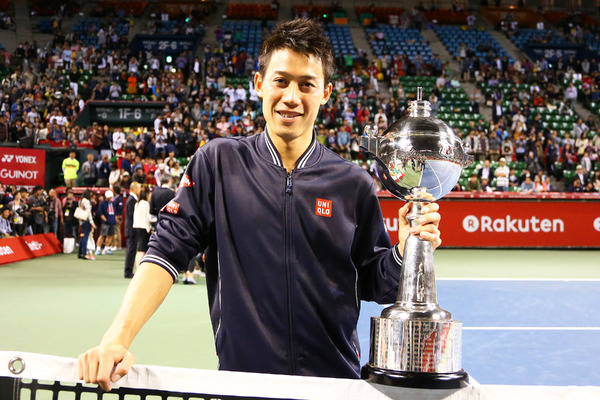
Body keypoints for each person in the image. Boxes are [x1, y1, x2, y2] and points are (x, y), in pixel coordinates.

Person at [78, 19, 441, 391]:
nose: (291, 97)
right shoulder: (217, 163)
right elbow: (165, 254)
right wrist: (116, 339)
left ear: (326, 92)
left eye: (306, 85)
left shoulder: (353, 184)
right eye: (281, 81)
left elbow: (377, 284)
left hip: (335, 389)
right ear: (259, 83)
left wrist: (407, 249)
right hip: (243, 387)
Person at [123, 182, 141, 278]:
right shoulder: (132, 200)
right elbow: (131, 215)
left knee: (132, 250)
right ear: (134, 188)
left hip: (131, 229)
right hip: (131, 229)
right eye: (139, 188)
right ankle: (128, 271)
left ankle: (129, 270)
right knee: (131, 251)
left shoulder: (132, 199)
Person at [132, 189, 152, 271]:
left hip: (136, 226)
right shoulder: (146, 204)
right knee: (142, 250)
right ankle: (140, 269)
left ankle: (137, 268)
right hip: (144, 228)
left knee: (139, 249)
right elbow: (148, 217)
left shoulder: (137, 203)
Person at [95, 190, 117, 255]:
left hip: (112, 222)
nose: (111, 198)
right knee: (102, 236)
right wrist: (105, 220)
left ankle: (106, 249)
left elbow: (115, 212)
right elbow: (100, 213)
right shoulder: (102, 204)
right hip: (105, 223)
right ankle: (98, 249)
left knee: (110, 236)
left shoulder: (113, 203)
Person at [77, 189, 96, 260]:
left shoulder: (80, 201)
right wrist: (92, 222)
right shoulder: (87, 202)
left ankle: (80, 253)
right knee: (85, 237)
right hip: (87, 221)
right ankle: (84, 253)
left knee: (82, 236)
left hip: (82, 221)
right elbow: (89, 213)